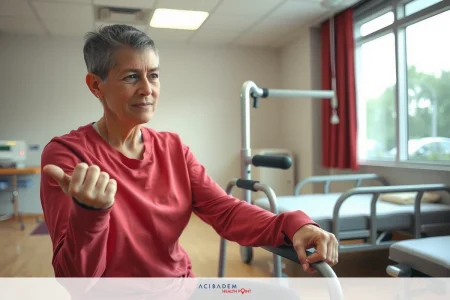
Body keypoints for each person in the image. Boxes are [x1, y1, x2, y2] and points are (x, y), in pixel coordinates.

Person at [40, 24, 338, 278]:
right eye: (131, 77)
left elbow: (225, 211)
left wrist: (296, 223)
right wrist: (90, 215)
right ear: (96, 85)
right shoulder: (68, 157)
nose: (147, 89)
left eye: (153, 75)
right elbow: (74, 279)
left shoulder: (173, 148)